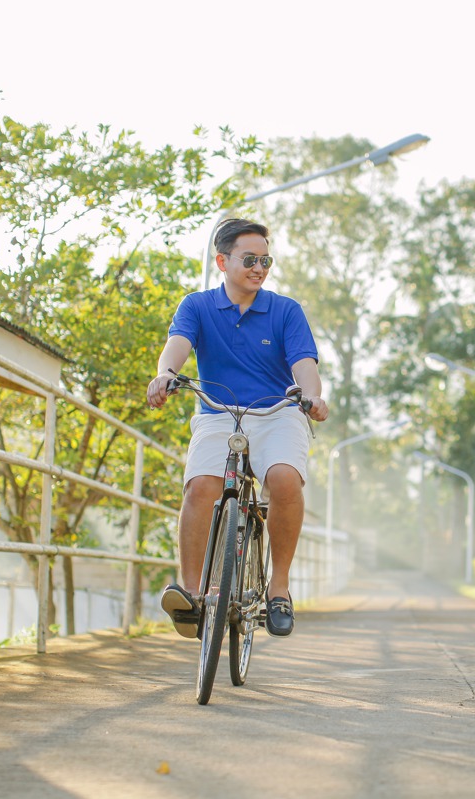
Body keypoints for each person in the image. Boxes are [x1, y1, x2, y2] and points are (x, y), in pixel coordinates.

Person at [146, 218, 329, 639]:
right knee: (200, 486)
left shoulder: (285, 310)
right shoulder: (196, 305)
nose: (259, 268)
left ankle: (278, 588)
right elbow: (176, 347)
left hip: (278, 411)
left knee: (284, 480)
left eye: (266, 260)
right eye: (250, 259)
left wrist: (312, 397)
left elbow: (305, 366)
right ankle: (191, 595)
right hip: (217, 411)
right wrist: (165, 375)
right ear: (222, 261)